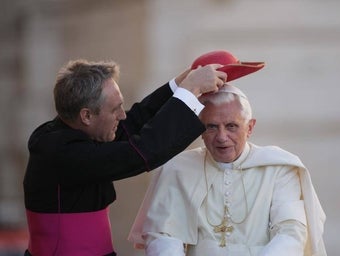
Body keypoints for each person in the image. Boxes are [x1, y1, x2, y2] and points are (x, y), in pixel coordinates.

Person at [22, 58, 229, 256]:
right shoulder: (60, 151)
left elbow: (134, 122)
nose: (122, 115)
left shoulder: (75, 129)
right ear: (86, 116)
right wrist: (189, 93)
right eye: (115, 109)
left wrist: (179, 85)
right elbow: (141, 151)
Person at [128, 83, 327, 256]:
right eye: (212, 127)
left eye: (231, 126)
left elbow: (291, 233)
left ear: (250, 128)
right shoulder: (178, 170)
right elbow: (163, 236)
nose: (222, 137)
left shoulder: (279, 168)